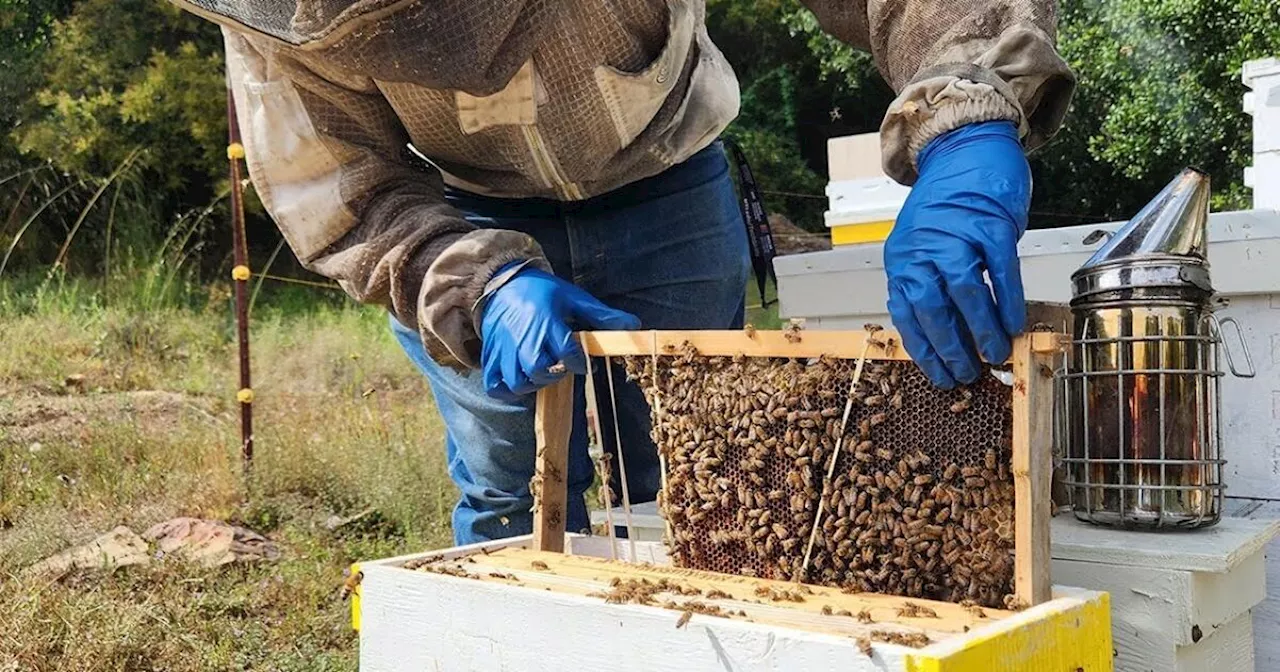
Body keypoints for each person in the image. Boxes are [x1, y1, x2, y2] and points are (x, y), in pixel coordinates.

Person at [173, 0, 1075, 545]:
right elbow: (338, 185)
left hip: (666, 180)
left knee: (697, 474)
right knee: (510, 488)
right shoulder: (270, 16)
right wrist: (473, 280)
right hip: (466, 215)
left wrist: (966, 101)